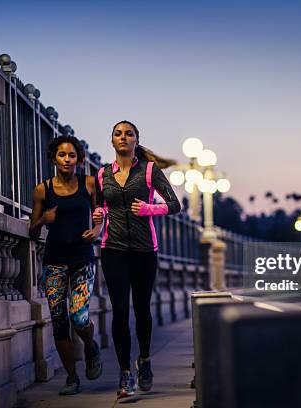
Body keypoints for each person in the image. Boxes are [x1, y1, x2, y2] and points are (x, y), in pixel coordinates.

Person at [93, 120, 180, 398]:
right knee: (119, 311)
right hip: (113, 249)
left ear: (136, 141)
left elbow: (174, 204)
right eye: (118, 134)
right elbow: (102, 206)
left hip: (144, 250)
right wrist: (99, 216)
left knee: (141, 310)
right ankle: (125, 374)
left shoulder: (150, 171)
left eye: (128, 134)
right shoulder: (102, 173)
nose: (123, 137)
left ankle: (144, 360)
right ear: (112, 140)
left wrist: (148, 209)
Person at [29, 135, 104, 395]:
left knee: (79, 316)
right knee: (59, 321)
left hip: (82, 258)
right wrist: (43, 219)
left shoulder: (90, 184)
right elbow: (31, 231)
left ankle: (91, 347)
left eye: (72, 155)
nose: (67, 159)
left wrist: (96, 229)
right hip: (54, 261)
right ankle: (72, 377)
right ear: (54, 158)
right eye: (62, 155)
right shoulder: (42, 189)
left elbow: (100, 215)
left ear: (79, 160)